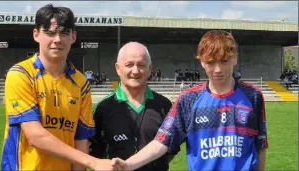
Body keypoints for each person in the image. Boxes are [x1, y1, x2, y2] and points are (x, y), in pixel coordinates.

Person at [111, 30, 268, 171]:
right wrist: (129, 164)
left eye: (224, 61)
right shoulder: (188, 100)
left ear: (234, 59)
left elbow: (260, 145)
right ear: (201, 61)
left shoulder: (253, 96)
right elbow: (162, 141)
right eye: (211, 62)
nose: (218, 69)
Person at [1, 4, 113, 171]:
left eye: (64, 33)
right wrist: (93, 162)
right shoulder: (21, 74)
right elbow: (35, 136)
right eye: (50, 33)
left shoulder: (81, 83)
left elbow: (81, 140)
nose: (57, 39)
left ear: (73, 36)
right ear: (36, 34)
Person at [89, 42, 175, 171]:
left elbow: (170, 148)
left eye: (141, 65)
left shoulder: (165, 105)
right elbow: (96, 152)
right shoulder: (102, 108)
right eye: (129, 65)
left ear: (150, 68)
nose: (135, 71)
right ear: (118, 68)